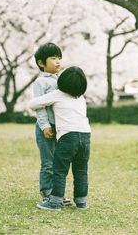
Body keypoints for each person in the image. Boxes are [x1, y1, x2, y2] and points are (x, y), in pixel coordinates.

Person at [28, 66, 91, 211]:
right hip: (86, 136)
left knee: (60, 170)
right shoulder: (81, 98)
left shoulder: (58, 94)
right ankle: (81, 202)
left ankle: (55, 202)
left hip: (68, 137)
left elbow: (32, 104)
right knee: (81, 171)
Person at [32, 43, 71, 206]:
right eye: (53, 58)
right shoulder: (41, 82)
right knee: (48, 162)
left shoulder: (60, 80)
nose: (57, 62)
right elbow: (39, 107)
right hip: (46, 129)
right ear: (41, 63)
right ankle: (47, 192)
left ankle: (57, 194)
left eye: (59, 58)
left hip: (61, 127)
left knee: (59, 162)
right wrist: (45, 126)